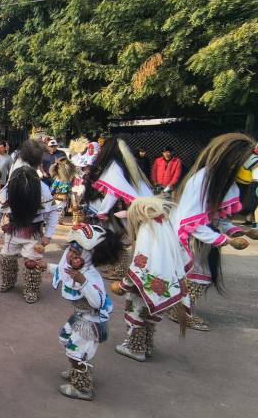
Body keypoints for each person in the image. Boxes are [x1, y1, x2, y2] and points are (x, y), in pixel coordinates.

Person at [170, 133, 256, 331]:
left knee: (200, 275)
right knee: (196, 275)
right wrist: (225, 240)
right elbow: (190, 222)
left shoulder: (221, 181)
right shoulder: (202, 180)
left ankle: (180, 309)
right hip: (190, 240)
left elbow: (216, 218)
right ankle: (181, 312)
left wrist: (240, 231)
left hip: (202, 239)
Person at [113, 197, 190, 362]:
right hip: (161, 282)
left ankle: (135, 348)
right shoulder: (163, 226)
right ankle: (146, 345)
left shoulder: (147, 229)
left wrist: (123, 284)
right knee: (149, 314)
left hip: (146, 284)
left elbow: (140, 263)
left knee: (137, 312)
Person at [51, 223, 120, 401]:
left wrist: (83, 282)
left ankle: (82, 388)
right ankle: (76, 369)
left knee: (77, 350)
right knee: (66, 340)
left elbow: (98, 301)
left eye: (77, 254)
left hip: (91, 321)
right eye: (71, 251)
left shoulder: (90, 276)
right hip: (80, 316)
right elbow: (62, 272)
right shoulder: (76, 269)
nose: (71, 256)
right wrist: (46, 266)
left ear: (88, 257)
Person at [83, 137, 153, 280]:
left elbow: (113, 192)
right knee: (123, 239)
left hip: (132, 210)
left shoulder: (114, 166)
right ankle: (119, 269)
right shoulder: (125, 165)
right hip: (137, 208)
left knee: (123, 240)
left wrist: (102, 212)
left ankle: (121, 272)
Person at [0, 165, 58, 303]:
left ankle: (31, 289)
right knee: (6, 258)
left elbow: (52, 211)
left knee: (32, 263)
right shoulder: (8, 189)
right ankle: (8, 281)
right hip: (12, 230)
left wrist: (48, 234)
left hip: (34, 234)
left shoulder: (43, 190)